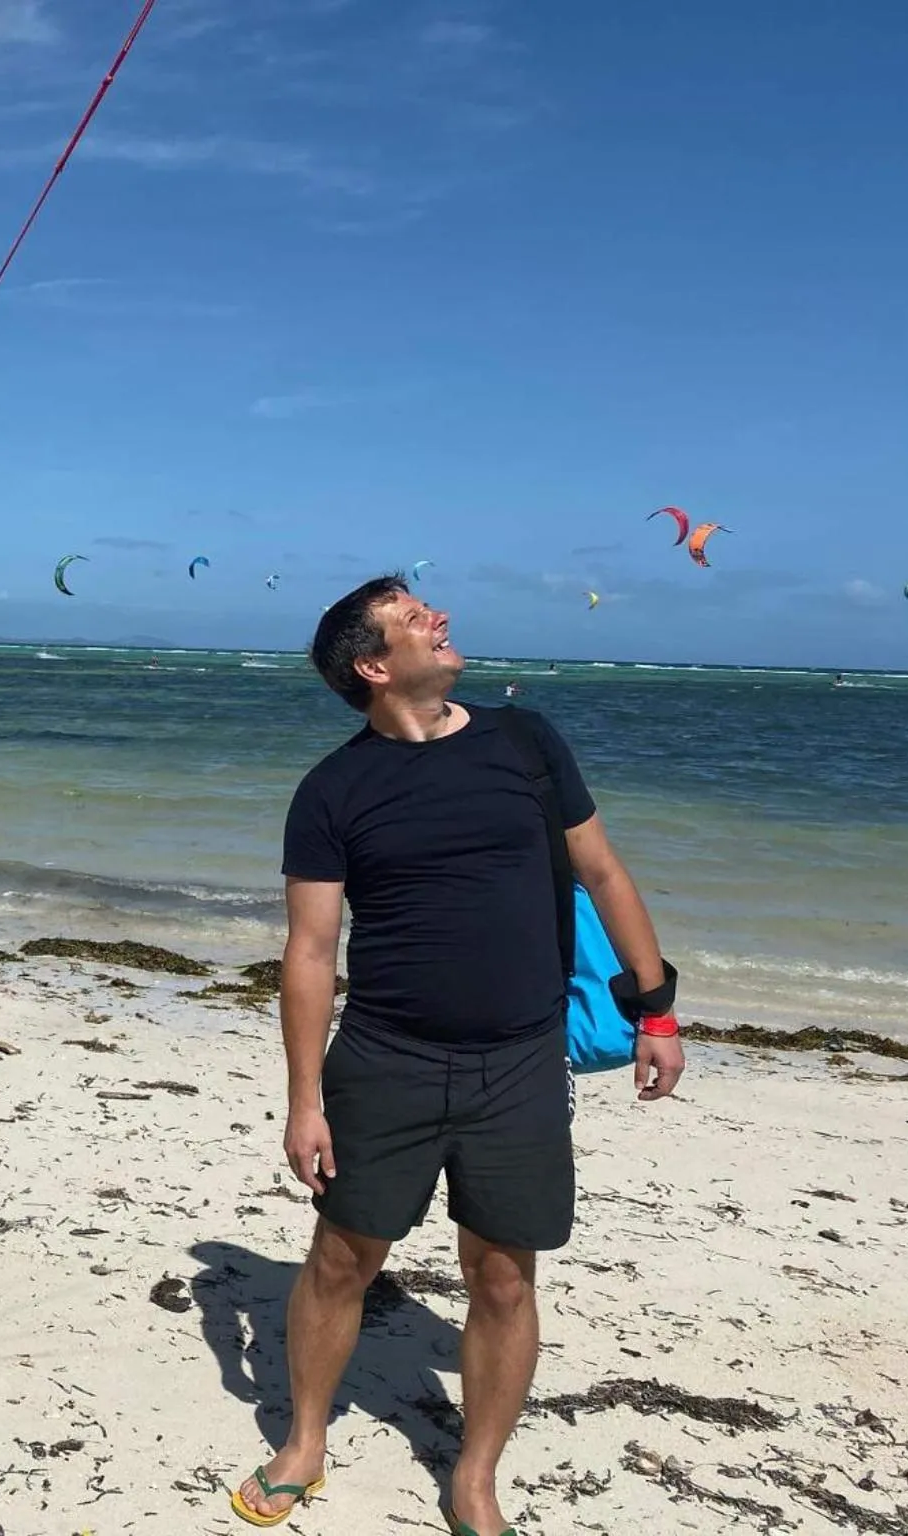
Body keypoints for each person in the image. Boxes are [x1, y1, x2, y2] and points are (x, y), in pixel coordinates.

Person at [232, 574, 685, 1535]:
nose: (437, 618)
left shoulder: (525, 743)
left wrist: (656, 1011)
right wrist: (303, 1099)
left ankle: (475, 1476)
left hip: (520, 1063)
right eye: (411, 618)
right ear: (374, 664)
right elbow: (311, 953)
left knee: (504, 1274)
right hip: (386, 1058)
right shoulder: (333, 791)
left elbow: (603, 872)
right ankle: (305, 1440)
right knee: (343, 1258)